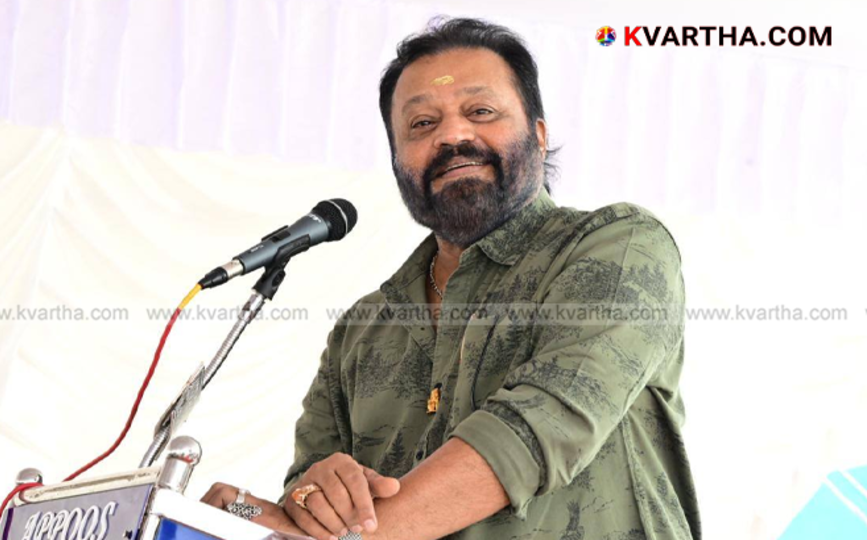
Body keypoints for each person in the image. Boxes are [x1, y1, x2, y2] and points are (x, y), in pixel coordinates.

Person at [202, 17, 701, 540]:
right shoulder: (362, 330)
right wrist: (248, 511)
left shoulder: (619, 246)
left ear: (539, 134)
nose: (452, 136)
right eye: (421, 124)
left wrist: (347, 535)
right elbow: (303, 513)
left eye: (481, 111)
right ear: (398, 162)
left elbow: (537, 433)